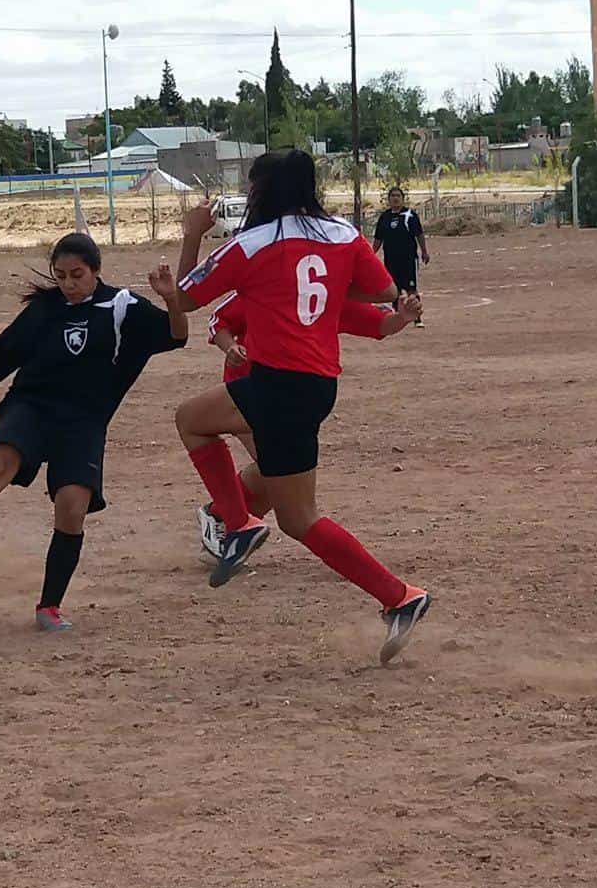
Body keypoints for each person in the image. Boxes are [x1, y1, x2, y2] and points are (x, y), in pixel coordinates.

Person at [167, 148, 432, 665]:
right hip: (315, 385)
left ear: (263, 190)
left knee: (295, 513)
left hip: (279, 384)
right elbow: (382, 289)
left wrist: (192, 234)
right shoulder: (343, 234)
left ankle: (397, 594)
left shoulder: (251, 243)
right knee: (200, 426)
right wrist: (326, 286)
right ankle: (241, 522)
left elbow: (184, 299)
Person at [0, 234, 188, 632]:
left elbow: (176, 336)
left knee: (71, 508)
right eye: (60, 275)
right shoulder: (44, 308)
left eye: (76, 274)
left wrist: (171, 299)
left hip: (83, 420)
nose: (68, 283)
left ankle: (48, 607)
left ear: (96, 270)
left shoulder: (122, 306)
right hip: (30, 406)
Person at [196, 289, 423, 557]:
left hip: (290, 400)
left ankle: (230, 521)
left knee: (279, 476)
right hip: (249, 389)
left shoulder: (330, 296)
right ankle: (222, 518)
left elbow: (379, 324)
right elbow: (219, 321)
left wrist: (403, 317)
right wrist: (230, 347)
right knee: (279, 470)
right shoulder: (268, 284)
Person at [373, 187, 430, 326]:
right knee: (394, 289)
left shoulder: (410, 215)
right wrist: (371, 255)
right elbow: (378, 238)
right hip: (391, 259)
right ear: (389, 199)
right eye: (393, 196)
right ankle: (397, 316)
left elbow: (419, 234)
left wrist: (424, 251)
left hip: (408, 259)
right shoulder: (384, 217)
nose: (395, 198)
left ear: (402, 198)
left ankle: (417, 318)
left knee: (411, 289)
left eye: (398, 195)